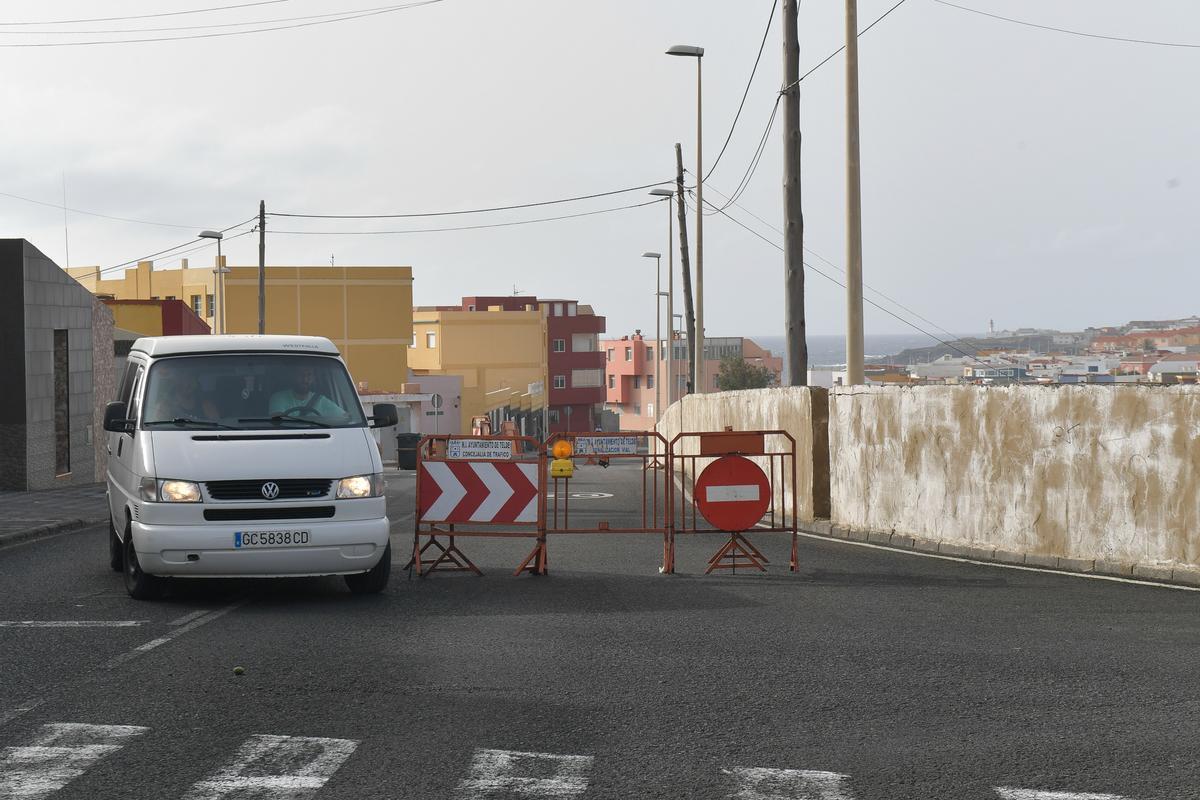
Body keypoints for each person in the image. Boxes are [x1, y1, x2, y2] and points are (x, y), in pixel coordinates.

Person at [268, 365, 345, 418]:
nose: (305, 380)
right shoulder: (279, 397)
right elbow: (277, 422)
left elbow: (346, 417)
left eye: (309, 375)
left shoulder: (321, 400)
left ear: (313, 378)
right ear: (293, 376)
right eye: (301, 375)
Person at [147, 372, 219, 422]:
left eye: (192, 379)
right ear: (178, 383)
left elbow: (217, 424)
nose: (189, 383)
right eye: (185, 379)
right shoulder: (165, 405)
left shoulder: (205, 405)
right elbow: (158, 427)